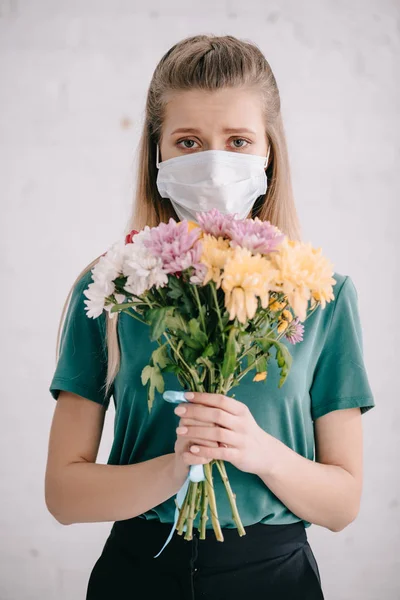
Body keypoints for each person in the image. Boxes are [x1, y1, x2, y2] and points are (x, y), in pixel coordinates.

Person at [45, 34, 375, 600]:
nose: (214, 164)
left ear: (269, 153)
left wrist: (257, 449)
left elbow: (342, 505)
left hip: (274, 577)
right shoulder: (111, 290)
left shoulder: (321, 296)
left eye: (239, 141)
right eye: (189, 141)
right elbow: (64, 494)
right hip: (137, 575)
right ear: (158, 155)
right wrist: (172, 472)